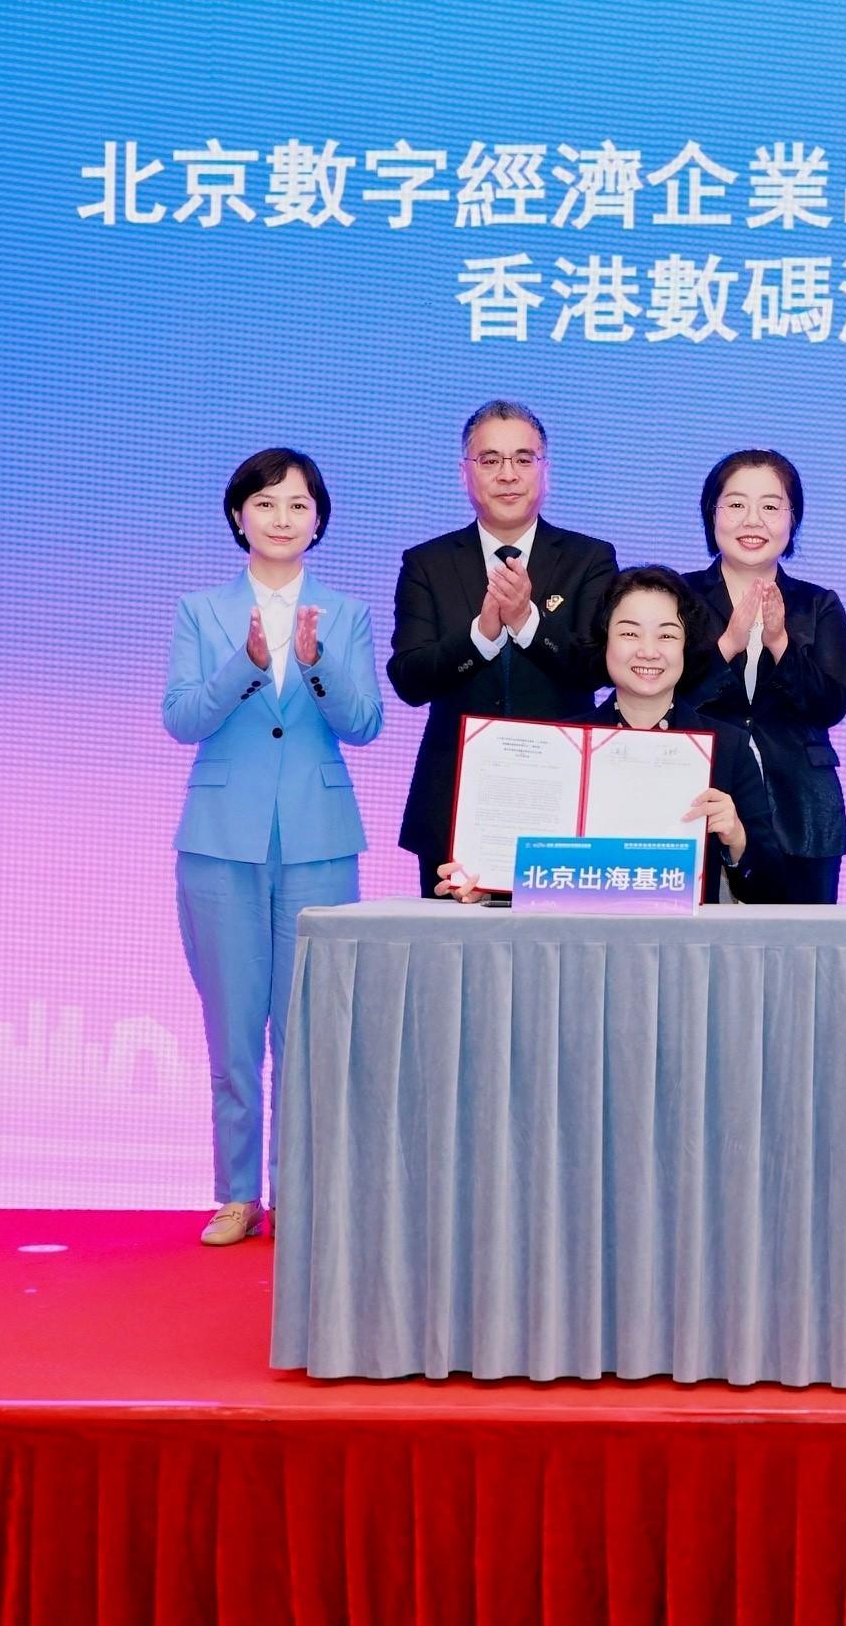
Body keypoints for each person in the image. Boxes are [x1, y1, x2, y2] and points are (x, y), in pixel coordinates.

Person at [163, 449, 384, 1248]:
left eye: (298, 504)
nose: (282, 517)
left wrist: (315, 666)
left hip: (319, 841)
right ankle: (234, 1192)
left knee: (307, 1027)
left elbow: (364, 724)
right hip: (221, 841)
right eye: (266, 503)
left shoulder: (347, 614)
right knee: (232, 1026)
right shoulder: (200, 610)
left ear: (319, 520)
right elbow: (182, 717)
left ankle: (300, 1190)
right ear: (237, 517)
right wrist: (246, 666)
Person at [430, 567, 781, 905]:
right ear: (604, 642)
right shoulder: (559, 746)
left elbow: (773, 889)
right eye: (630, 633)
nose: (648, 650)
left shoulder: (728, 746)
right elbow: (533, 875)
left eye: (667, 635)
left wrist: (736, 839)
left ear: (686, 648)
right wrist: (487, 884)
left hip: (683, 953)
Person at [389, 400, 618, 900]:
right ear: (465, 473)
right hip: (454, 803)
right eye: (489, 460)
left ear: (545, 470)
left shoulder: (590, 559)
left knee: (560, 968)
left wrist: (528, 622)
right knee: (451, 968)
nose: (507, 474)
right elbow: (409, 679)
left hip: (563, 798)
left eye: (523, 459)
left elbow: (598, 668)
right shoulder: (426, 563)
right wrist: (482, 635)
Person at [681, 450, 846, 903]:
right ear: (711, 513)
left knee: (803, 960)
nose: (752, 520)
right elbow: (666, 698)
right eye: (736, 504)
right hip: (700, 800)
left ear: (792, 519)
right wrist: (728, 644)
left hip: (803, 811)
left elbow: (831, 705)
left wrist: (780, 644)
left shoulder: (818, 604)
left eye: (771, 506)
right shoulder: (679, 596)